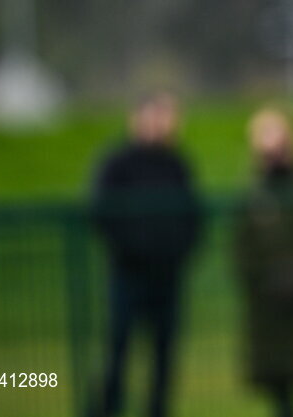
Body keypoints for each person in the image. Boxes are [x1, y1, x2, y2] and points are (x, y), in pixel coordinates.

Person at [90, 92, 203, 417]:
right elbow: (102, 213)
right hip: (128, 275)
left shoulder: (177, 164)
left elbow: (193, 217)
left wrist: (177, 253)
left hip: (167, 277)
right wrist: (133, 249)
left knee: (164, 356)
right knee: (118, 350)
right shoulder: (117, 163)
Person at [233, 108, 293, 417]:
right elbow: (241, 252)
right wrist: (269, 278)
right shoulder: (252, 196)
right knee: (281, 395)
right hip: (270, 311)